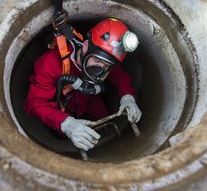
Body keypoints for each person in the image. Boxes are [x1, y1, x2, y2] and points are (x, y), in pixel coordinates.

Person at [24, 18, 142, 151]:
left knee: (107, 121)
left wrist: (128, 98)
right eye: (97, 59)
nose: (100, 68)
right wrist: (67, 124)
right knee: (63, 137)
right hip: (63, 107)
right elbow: (35, 103)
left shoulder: (106, 62)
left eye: (107, 64)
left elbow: (122, 79)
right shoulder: (50, 63)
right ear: (86, 46)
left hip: (87, 100)